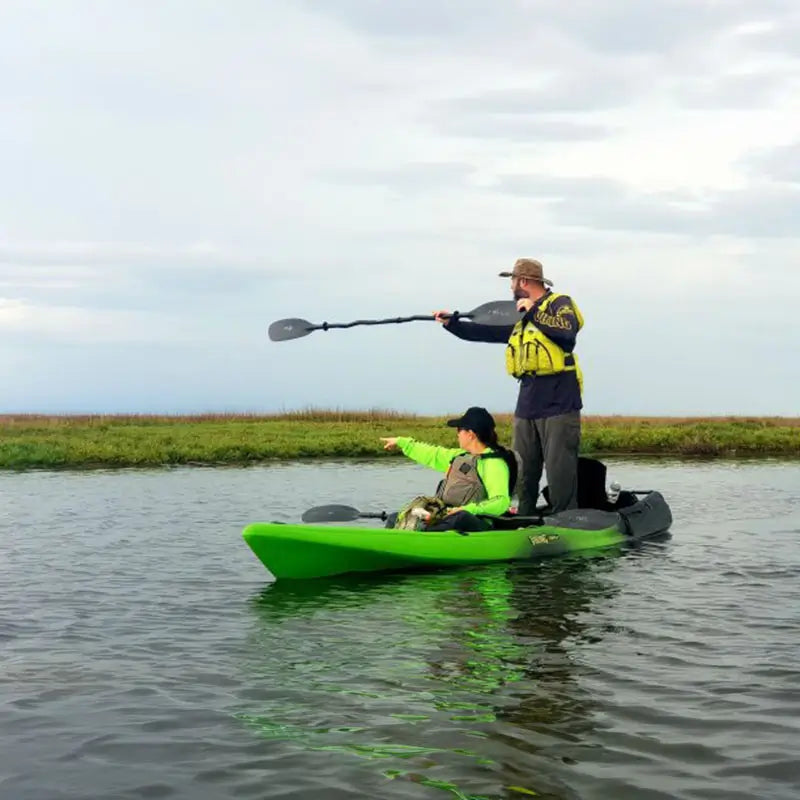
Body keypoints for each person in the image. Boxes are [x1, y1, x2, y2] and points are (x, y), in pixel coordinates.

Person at [433, 258, 583, 514]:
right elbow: (485, 332)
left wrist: (534, 310)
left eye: (512, 281)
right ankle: (523, 518)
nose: (511, 286)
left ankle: (566, 520)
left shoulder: (559, 303)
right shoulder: (518, 316)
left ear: (523, 281)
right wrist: (452, 324)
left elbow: (568, 333)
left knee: (559, 471)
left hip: (560, 400)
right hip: (527, 402)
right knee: (523, 470)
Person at [380, 406, 518, 532]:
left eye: (459, 430)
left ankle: (422, 538)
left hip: (478, 523)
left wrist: (468, 509)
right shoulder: (459, 456)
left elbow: (501, 502)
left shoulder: (494, 464)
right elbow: (432, 454)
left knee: (461, 517)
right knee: (395, 518)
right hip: (449, 515)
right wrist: (402, 442)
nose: (457, 434)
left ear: (471, 434)